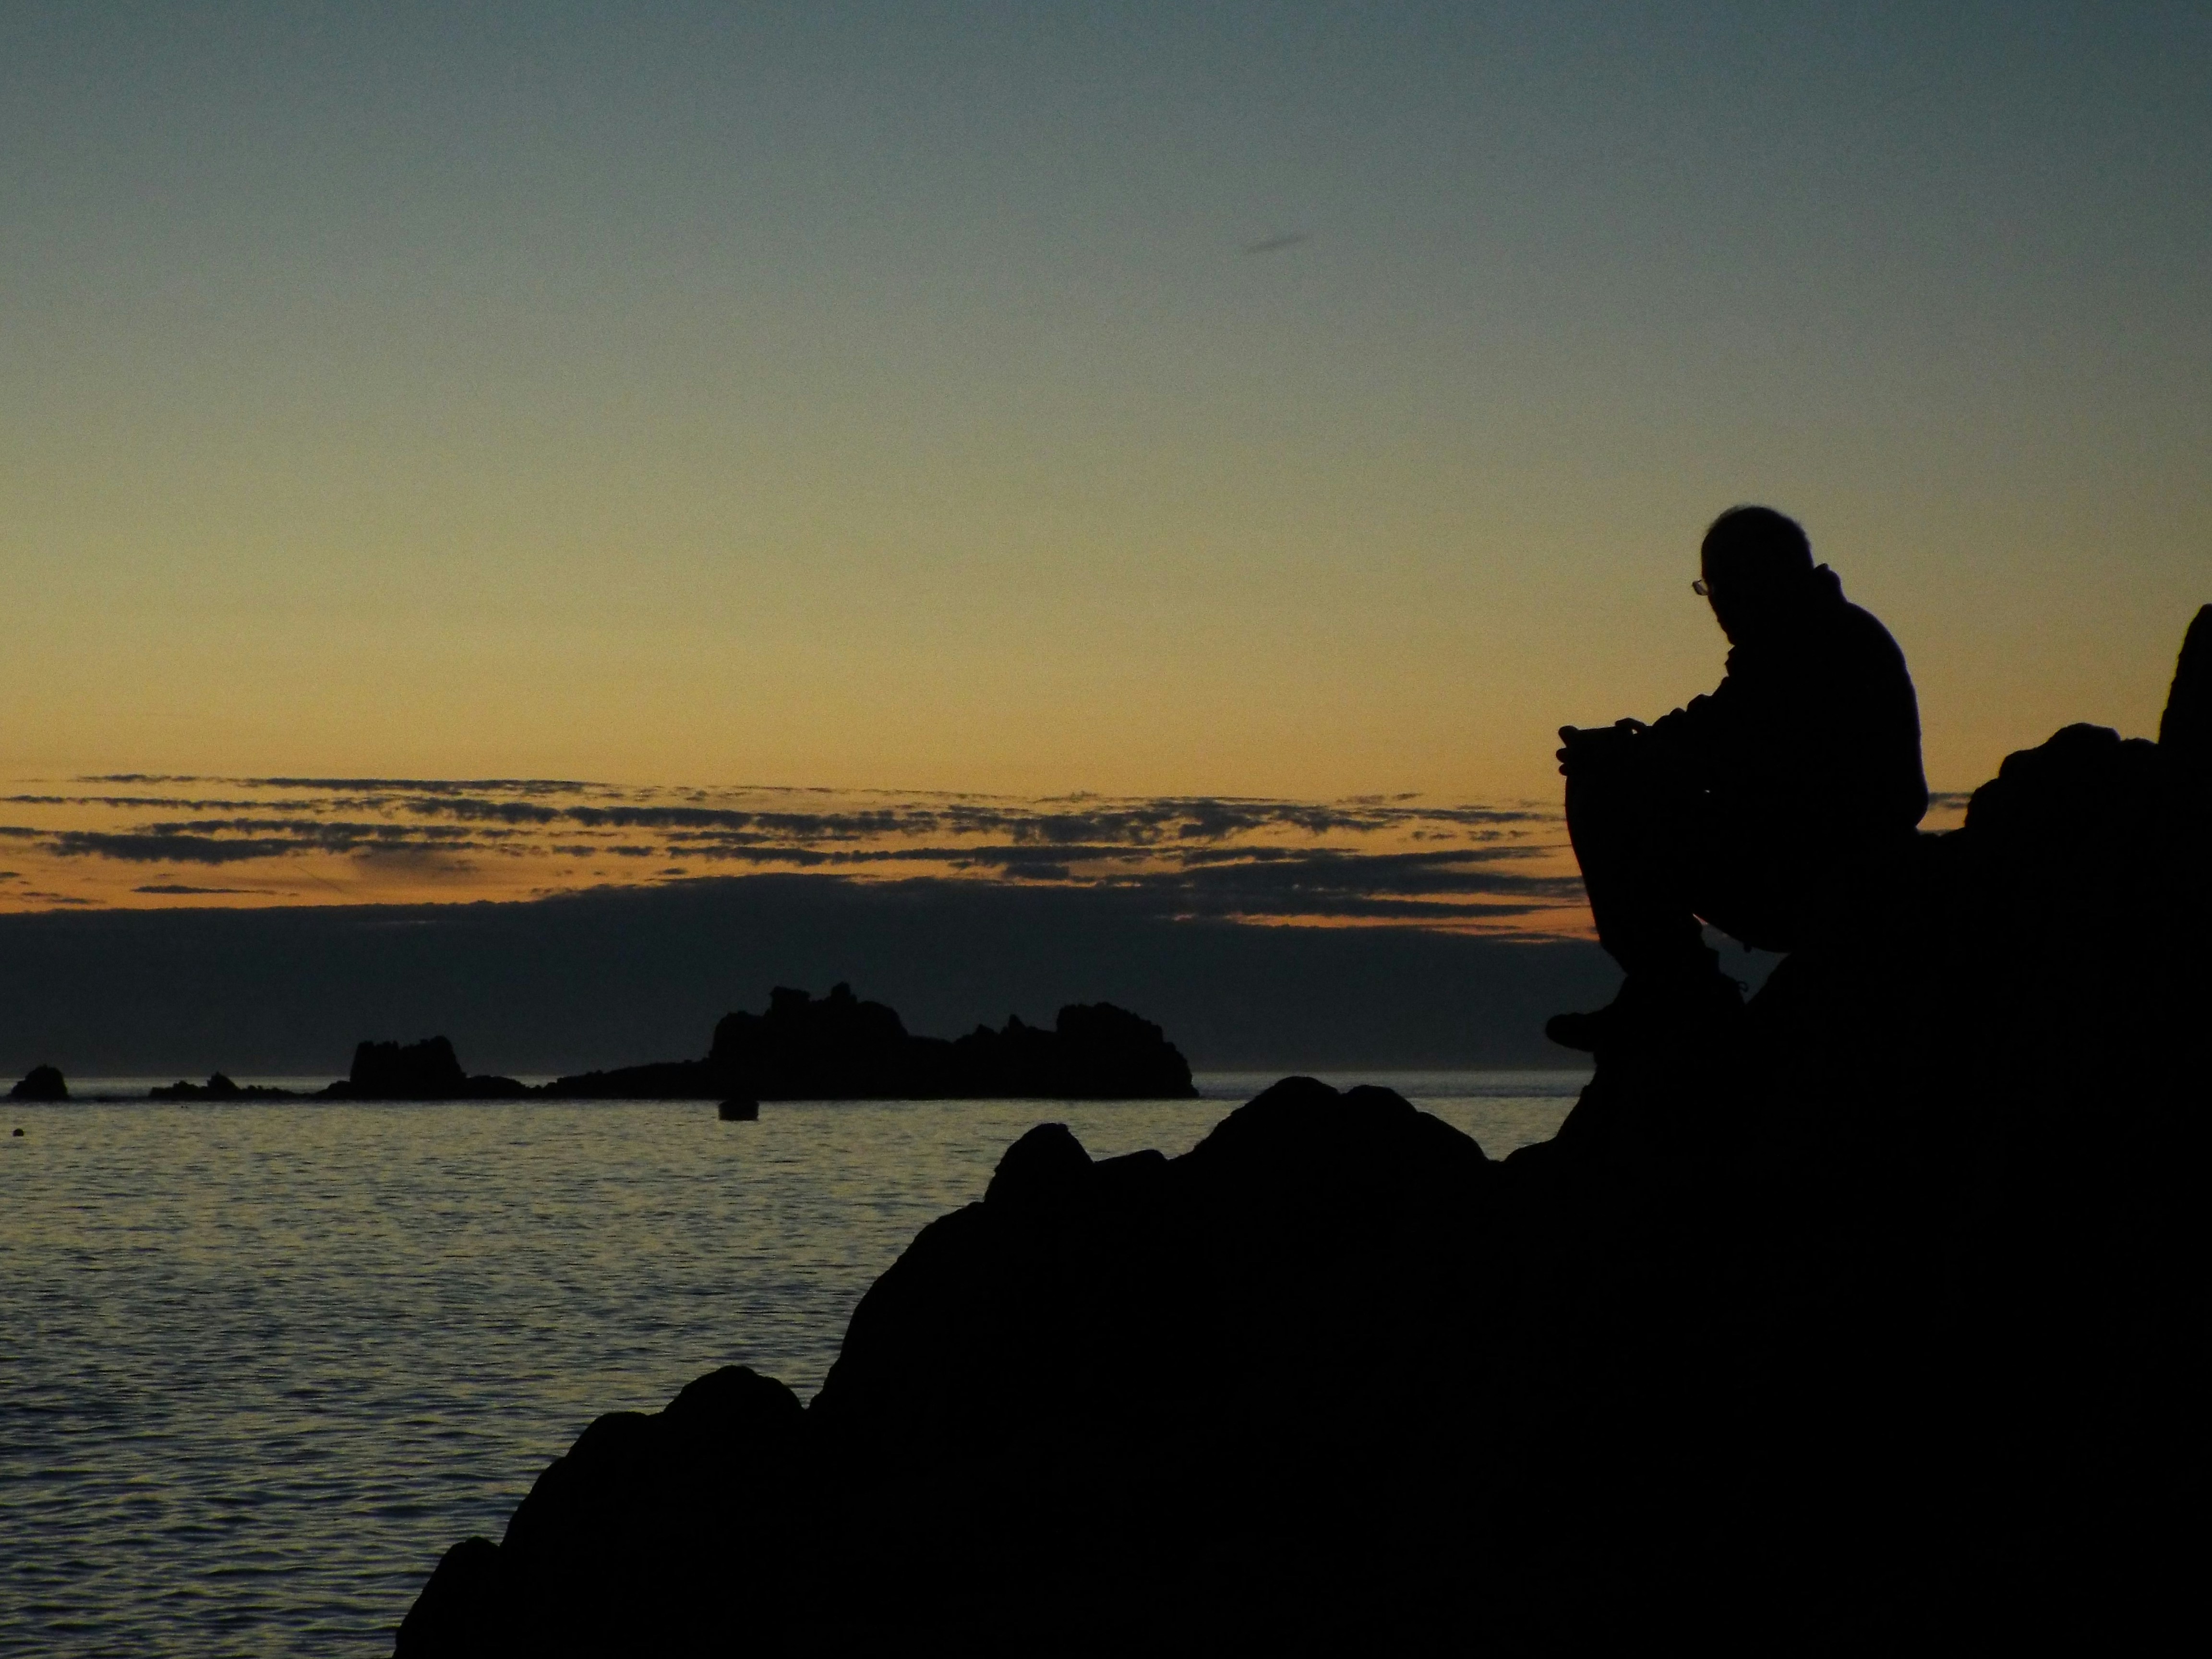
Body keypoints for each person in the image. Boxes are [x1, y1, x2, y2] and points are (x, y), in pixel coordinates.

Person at [1547, 506, 1927, 1052]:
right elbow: (1715, 728)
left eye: (1724, 584)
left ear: (1768, 575)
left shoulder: (1814, 645)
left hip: (1827, 872)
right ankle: (1673, 988)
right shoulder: (1804, 637)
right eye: (1710, 587)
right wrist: (1635, 748)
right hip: (1813, 858)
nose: (1718, 603)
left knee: (1606, 795)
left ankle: (1678, 994)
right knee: (1609, 781)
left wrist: (1630, 758)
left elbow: (1725, 744)